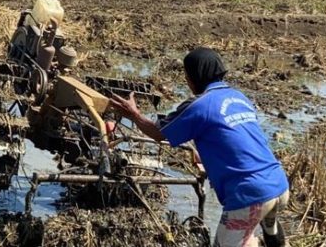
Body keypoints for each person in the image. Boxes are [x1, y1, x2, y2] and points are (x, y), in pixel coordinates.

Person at [110, 48, 290, 247]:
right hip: (278, 183)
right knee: (268, 228)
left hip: (250, 194)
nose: (186, 81)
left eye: (187, 76)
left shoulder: (199, 105)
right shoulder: (238, 97)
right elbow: (234, 137)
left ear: (195, 76)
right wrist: (206, 154)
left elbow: (159, 133)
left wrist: (134, 114)